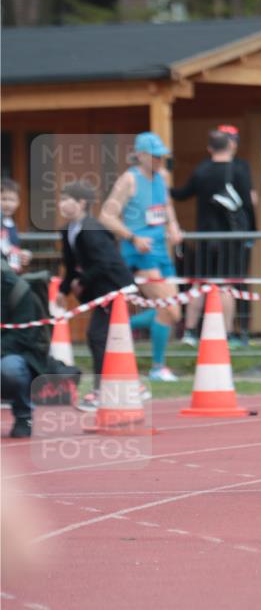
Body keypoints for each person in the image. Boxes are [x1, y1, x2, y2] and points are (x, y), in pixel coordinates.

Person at [98, 132, 183, 381]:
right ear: (141, 155)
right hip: (140, 253)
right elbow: (106, 216)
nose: (159, 160)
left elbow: (166, 206)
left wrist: (174, 228)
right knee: (169, 310)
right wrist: (133, 237)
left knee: (171, 312)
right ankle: (156, 366)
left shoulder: (163, 177)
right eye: (155, 156)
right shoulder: (129, 180)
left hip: (161, 252)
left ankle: (119, 325)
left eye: (162, 156)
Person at [171, 128, 255, 347]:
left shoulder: (202, 170)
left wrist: (164, 187)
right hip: (232, 238)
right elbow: (247, 204)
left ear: (209, 148)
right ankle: (227, 334)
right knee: (228, 285)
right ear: (231, 145)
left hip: (205, 237)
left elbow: (182, 194)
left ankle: (189, 332)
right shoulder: (239, 170)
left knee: (200, 283)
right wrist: (251, 232)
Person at [56, 180, 136, 408]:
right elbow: (71, 264)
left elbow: (106, 262)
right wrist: (64, 289)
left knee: (97, 336)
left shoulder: (92, 228)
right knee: (107, 338)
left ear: (81, 203)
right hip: (100, 292)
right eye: (60, 199)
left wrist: (82, 280)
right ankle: (125, 384)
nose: (61, 204)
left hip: (115, 289)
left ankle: (103, 389)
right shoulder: (69, 230)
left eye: (66, 199)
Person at [1, 256, 50, 438]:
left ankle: (23, 414)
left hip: (11, 354)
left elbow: (23, 337)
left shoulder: (16, 289)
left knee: (10, 369)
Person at [217, 125, 258, 345]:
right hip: (222, 235)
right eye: (227, 139)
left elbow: (250, 201)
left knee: (240, 281)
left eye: (233, 139)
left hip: (238, 233)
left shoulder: (241, 167)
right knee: (226, 283)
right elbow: (251, 200)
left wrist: (251, 230)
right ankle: (229, 330)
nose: (231, 143)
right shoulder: (219, 167)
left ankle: (242, 329)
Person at [1, 178, 32, 271]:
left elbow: (9, 248)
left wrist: (23, 254)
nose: (8, 204)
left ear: (18, 202)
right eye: (3, 199)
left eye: (12, 200)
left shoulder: (12, 224)